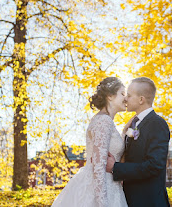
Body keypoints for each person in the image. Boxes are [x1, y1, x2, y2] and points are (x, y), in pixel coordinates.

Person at [51, 77, 128, 207]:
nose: (125, 98)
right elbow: (98, 166)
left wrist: (125, 131)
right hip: (101, 188)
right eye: (122, 94)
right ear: (110, 96)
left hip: (110, 186)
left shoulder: (103, 120)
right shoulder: (104, 121)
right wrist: (102, 204)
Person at [106, 77, 171, 207]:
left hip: (148, 201)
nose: (125, 99)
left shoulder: (157, 124)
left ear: (141, 99)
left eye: (129, 95)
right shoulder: (133, 124)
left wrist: (116, 168)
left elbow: (154, 165)